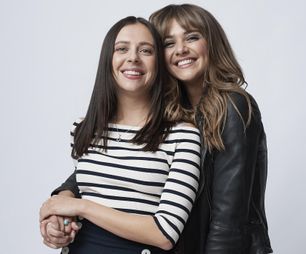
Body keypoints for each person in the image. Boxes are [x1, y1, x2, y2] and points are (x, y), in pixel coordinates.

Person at [40, 4, 273, 254]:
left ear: (212, 43)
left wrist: (79, 207)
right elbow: (116, 164)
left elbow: (228, 220)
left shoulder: (232, 107)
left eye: (192, 37)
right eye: (168, 43)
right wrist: (64, 197)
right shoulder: (171, 111)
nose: (181, 49)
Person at [39, 15, 201, 254]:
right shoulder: (84, 128)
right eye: (122, 48)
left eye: (145, 51)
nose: (133, 58)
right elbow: (84, 188)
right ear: (108, 59)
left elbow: (165, 233)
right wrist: (59, 222)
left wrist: (81, 207)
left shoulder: (183, 136)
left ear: (159, 64)